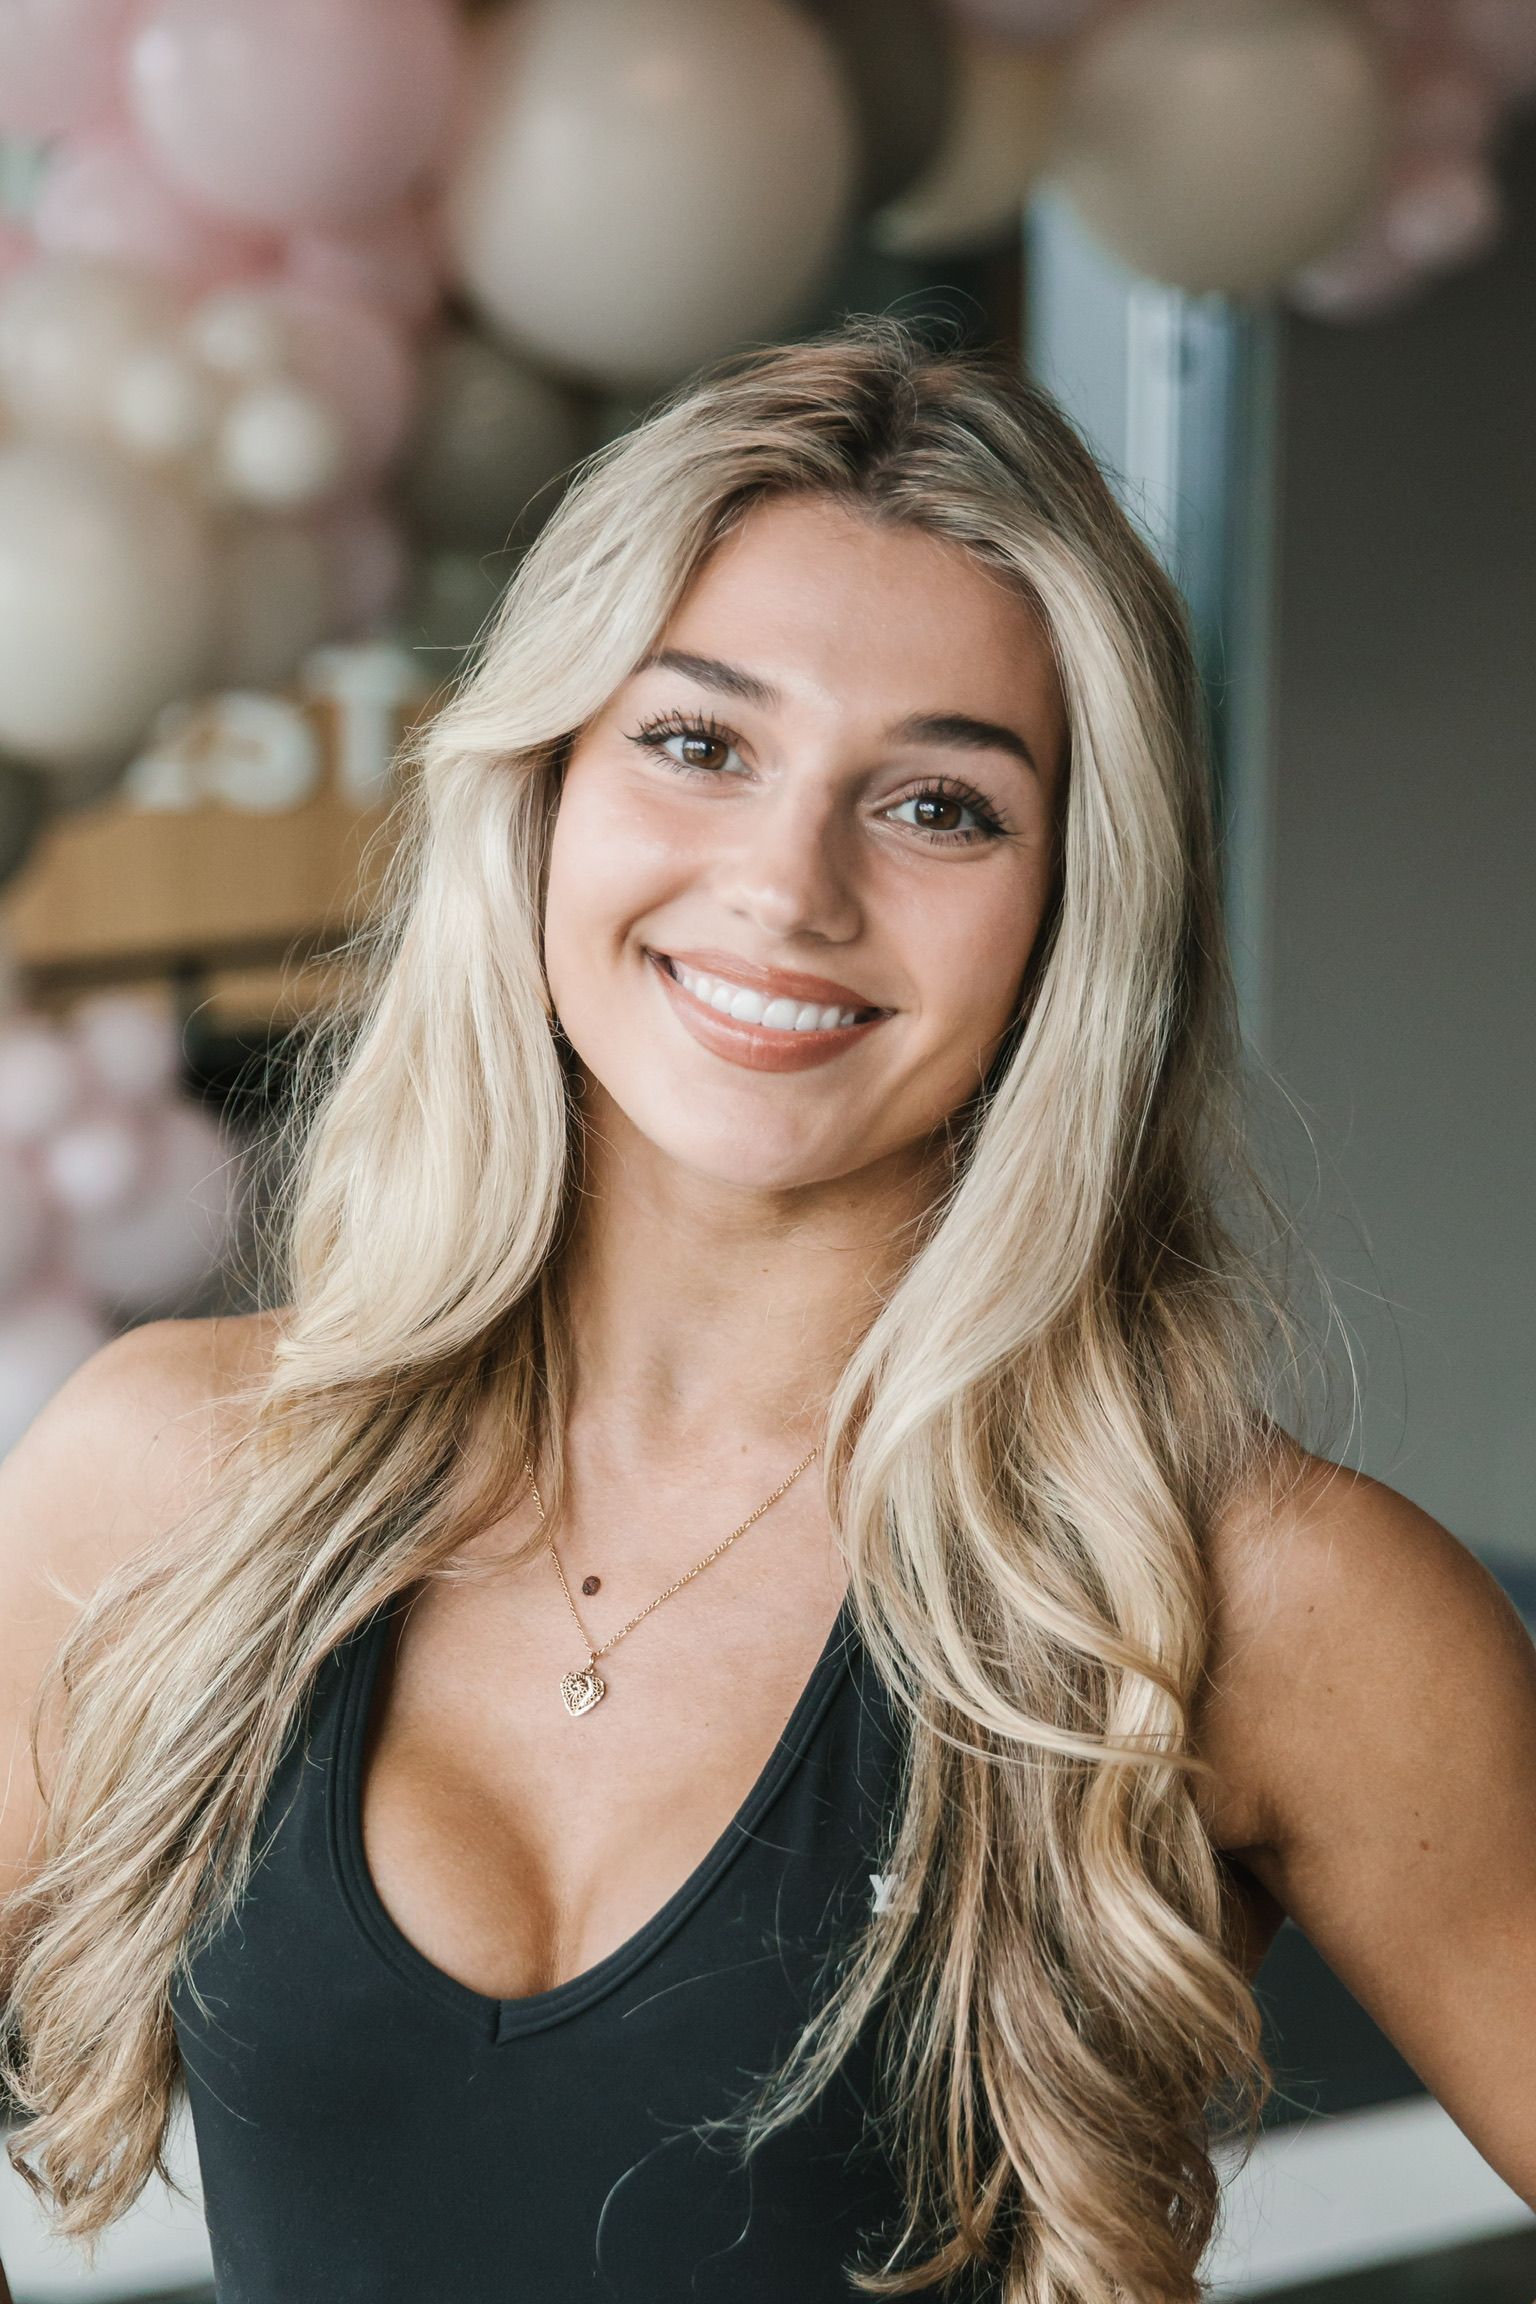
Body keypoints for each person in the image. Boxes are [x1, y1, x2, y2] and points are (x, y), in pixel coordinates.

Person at [0, 320, 1532, 2304]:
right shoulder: (168, 1482)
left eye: (940, 807)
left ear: (1075, 905)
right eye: (699, 743)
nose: (788, 885)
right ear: (544, 785)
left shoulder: (1253, 1597)